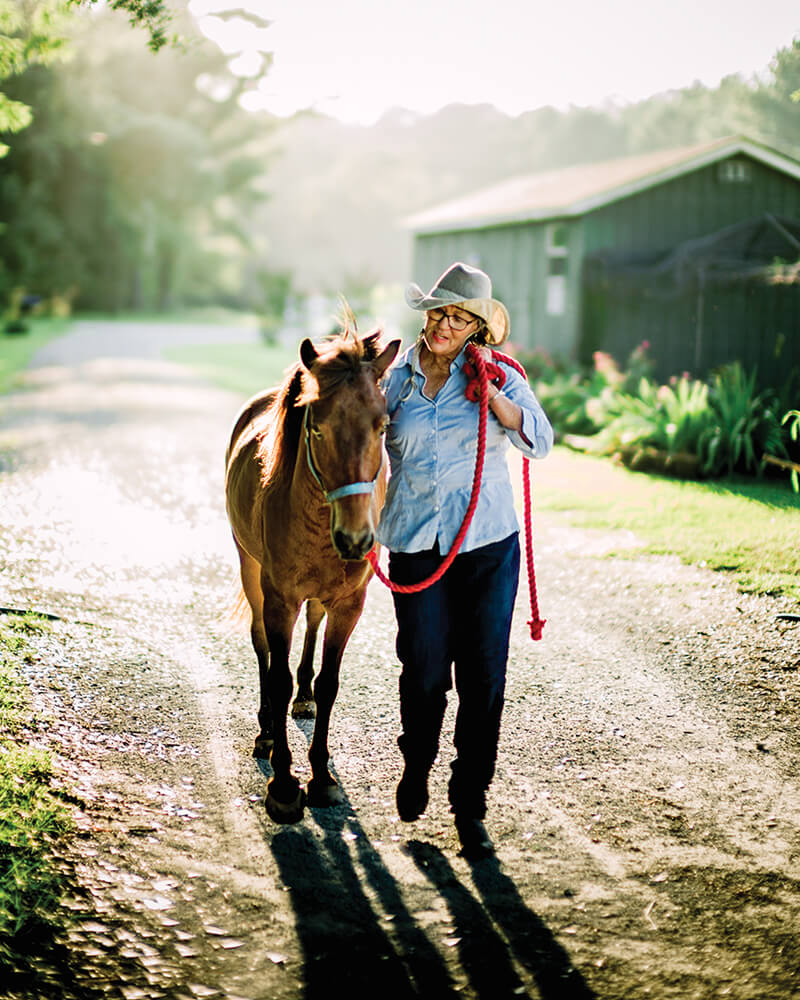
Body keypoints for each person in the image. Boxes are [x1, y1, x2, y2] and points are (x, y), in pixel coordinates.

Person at [377, 261, 553, 860]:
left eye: (459, 316)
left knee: (483, 678)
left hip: (486, 547)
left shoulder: (499, 373)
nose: (445, 324)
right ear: (426, 315)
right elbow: (357, 439)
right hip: (417, 548)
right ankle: (417, 764)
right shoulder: (394, 381)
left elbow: (541, 440)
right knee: (423, 670)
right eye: (438, 312)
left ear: (477, 326)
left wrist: (500, 404)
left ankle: (470, 793)